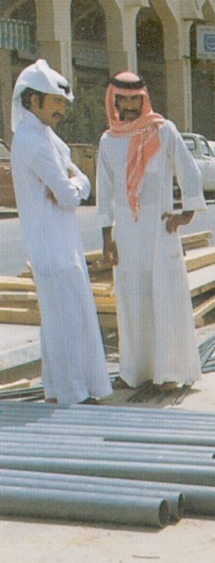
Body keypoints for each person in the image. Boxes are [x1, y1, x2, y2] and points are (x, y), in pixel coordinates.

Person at [9, 60, 113, 406]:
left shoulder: (44, 135)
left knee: (61, 321)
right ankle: (73, 395)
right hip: (51, 247)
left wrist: (74, 182)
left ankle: (58, 390)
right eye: (56, 102)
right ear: (33, 100)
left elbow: (76, 182)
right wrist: (75, 184)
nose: (62, 110)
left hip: (61, 244)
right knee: (65, 322)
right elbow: (69, 195)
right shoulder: (33, 141)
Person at [96, 72, 205, 389]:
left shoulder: (164, 131)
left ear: (143, 99)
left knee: (164, 297)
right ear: (114, 102)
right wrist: (107, 237)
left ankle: (168, 374)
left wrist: (186, 214)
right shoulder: (108, 141)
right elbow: (104, 192)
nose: (129, 106)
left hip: (160, 231)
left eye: (135, 100)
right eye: (123, 100)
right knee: (132, 300)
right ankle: (134, 372)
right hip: (127, 235)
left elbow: (189, 170)